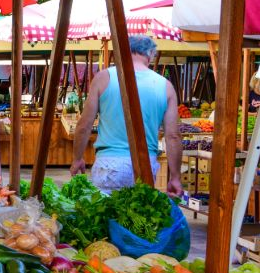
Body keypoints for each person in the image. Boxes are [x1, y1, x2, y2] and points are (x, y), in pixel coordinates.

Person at [71, 35, 182, 196]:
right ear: (151, 55)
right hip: (146, 164)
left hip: (109, 165)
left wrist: (77, 159)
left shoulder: (104, 78)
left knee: (105, 211)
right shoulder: (166, 86)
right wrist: (175, 177)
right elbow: (173, 136)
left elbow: (84, 125)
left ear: (122, 51)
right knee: (139, 211)